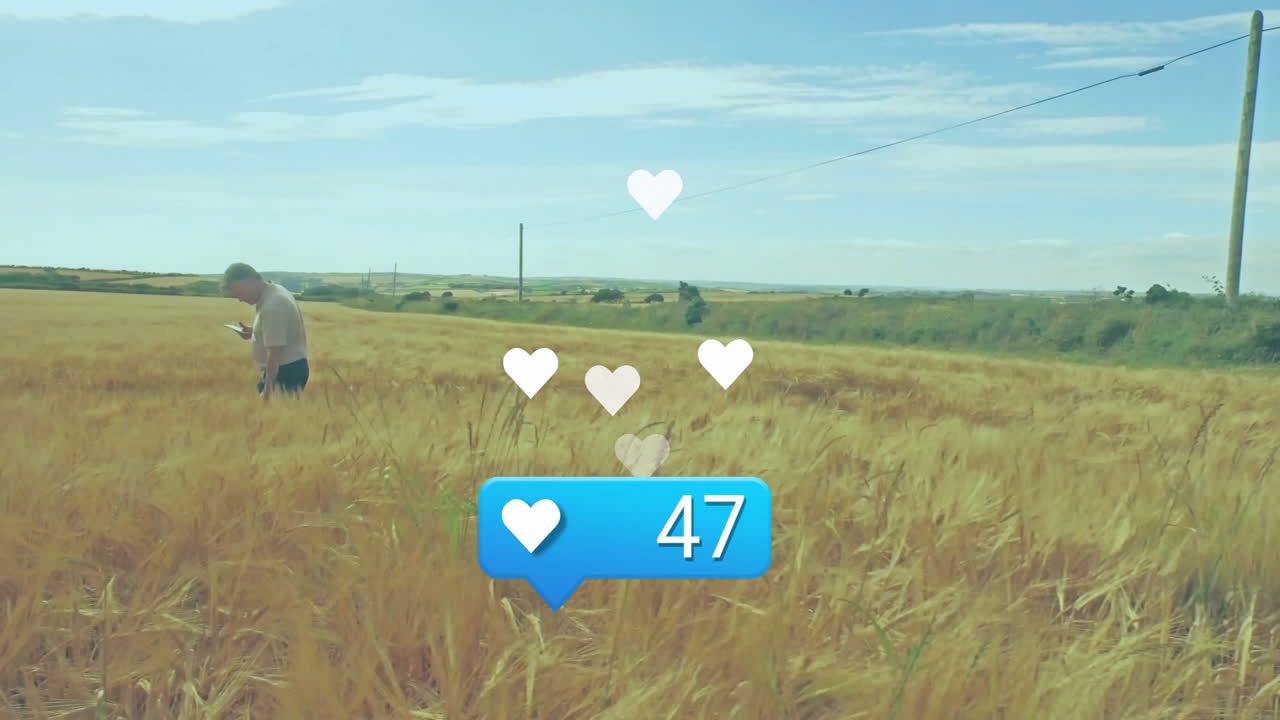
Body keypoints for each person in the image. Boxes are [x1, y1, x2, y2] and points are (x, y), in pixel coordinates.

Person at [222, 262, 309, 402]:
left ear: (251, 281)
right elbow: (281, 331)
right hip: (290, 369)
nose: (240, 299)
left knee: (275, 413)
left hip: (284, 372)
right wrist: (254, 333)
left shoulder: (273, 306)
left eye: (240, 293)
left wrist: (267, 391)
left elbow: (274, 353)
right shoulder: (276, 290)